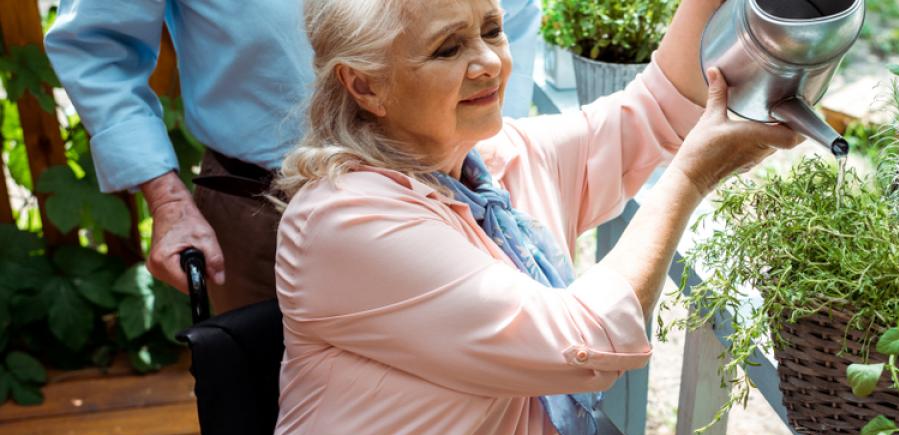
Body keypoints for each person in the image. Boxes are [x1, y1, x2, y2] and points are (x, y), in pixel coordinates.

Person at [248, 0, 802, 435]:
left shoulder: (495, 163)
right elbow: (585, 345)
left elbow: (660, 109)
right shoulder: (343, 223)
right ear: (365, 85)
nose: (487, 61)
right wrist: (691, 179)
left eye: (491, 30)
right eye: (448, 48)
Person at [43, 0, 542, 314]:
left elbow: (515, 16)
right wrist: (167, 201)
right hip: (261, 214)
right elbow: (94, 46)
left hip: (449, 199)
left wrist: (485, 156)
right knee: (273, 426)